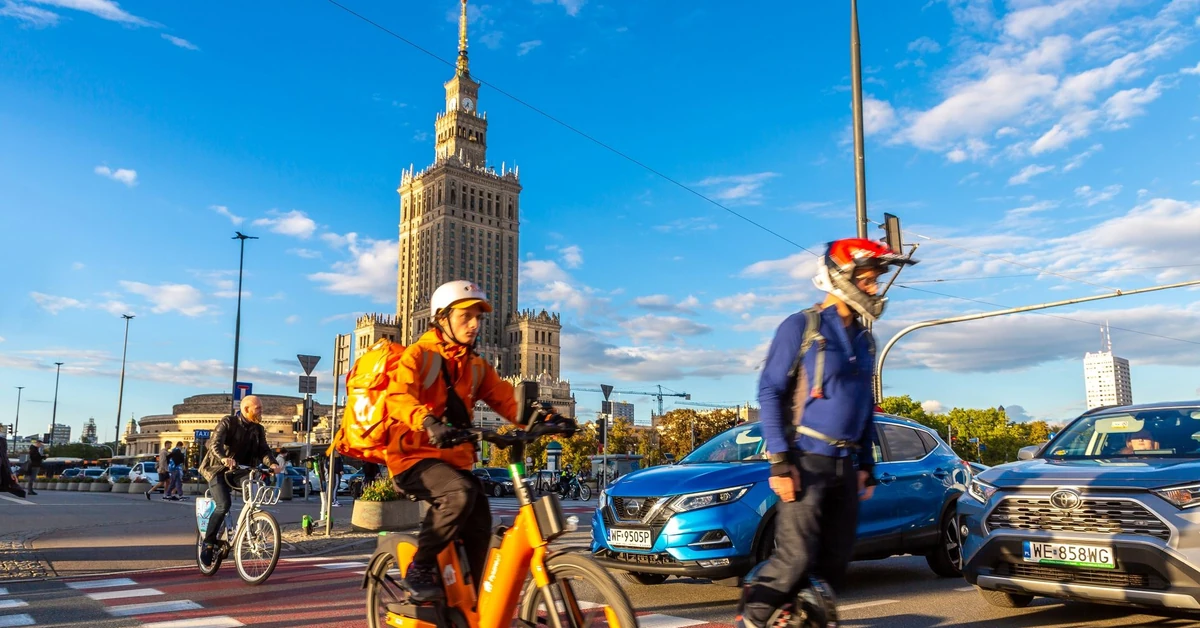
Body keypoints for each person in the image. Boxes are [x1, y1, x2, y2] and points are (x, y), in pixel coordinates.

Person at [739, 238, 916, 628]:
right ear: (840, 278)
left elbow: (864, 405)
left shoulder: (865, 339)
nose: (874, 288)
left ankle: (801, 620)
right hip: (806, 460)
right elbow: (770, 391)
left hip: (845, 465)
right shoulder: (802, 326)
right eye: (867, 279)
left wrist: (866, 464)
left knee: (835, 562)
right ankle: (752, 616)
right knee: (796, 558)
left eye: (875, 280)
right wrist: (780, 462)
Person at [385, 280, 558, 602]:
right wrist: (427, 421)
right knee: (460, 493)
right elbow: (398, 397)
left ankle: (472, 602)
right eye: (465, 316)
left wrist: (547, 419)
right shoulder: (419, 355)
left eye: (478, 317)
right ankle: (420, 567)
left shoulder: (475, 365)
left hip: (454, 461)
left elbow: (507, 401)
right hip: (412, 458)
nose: (475, 324)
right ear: (442, 318)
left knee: (480, 522)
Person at [197, 395, 282, 567]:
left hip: (240, 471)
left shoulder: (258, 429)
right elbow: (215, 445)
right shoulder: (228, 422)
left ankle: (249, 530)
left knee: (254, 497)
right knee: (223, 505)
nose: (261, 411)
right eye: (258, 408)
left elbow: (264, 451)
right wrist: (223, 458)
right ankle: (208, 543)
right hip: (217, 470)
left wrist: (272, 463)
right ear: (246, 409)